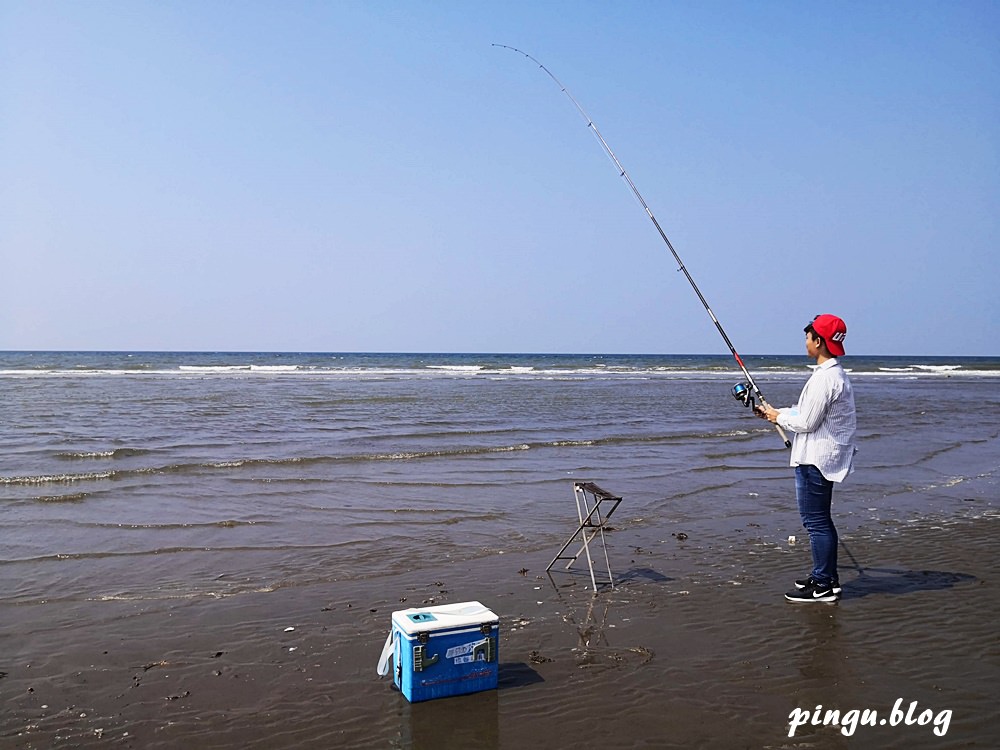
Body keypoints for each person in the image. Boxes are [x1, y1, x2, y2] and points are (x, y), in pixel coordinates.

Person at [757, 314, 857, 603]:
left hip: (817, 460)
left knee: (816, 522)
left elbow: (807, 423)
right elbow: (806, 415)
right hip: (820, 456)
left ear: (819, 341)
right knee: (818, 520)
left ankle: (824, 585)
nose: (806, 342)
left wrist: (778, 416)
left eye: (808, 336)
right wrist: (776, 413)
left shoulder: (826, 378)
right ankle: (825, 577)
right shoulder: (833, 375)